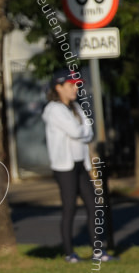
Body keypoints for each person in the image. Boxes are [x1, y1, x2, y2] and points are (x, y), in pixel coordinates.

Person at [42, 68, 116, 263]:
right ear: (58, 87)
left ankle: (98, 252)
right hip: (64, 167)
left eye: (76, 85)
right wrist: (83, 130)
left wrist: (83, 130)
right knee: (70, 208)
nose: (75, 89)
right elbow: (77, 131)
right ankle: (69, 254)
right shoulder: (53, 109)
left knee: (93, 206)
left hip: (80, 165)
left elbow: (88, 132)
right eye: (70, 85)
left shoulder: (76, 107)